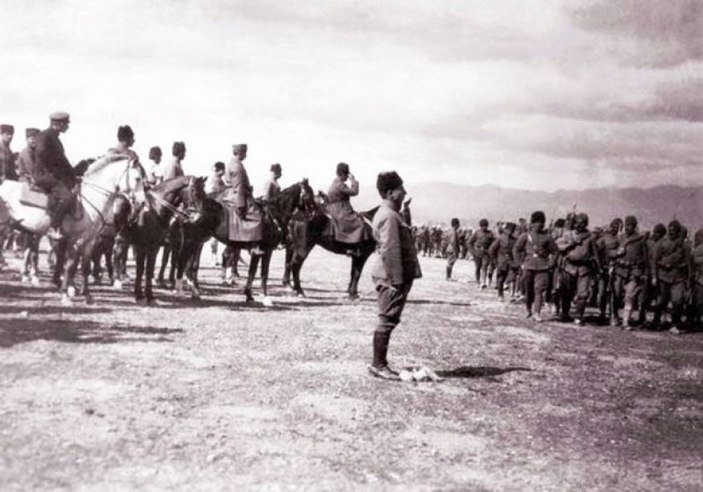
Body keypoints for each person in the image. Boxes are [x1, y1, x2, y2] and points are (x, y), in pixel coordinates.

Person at [368, 171, 421, 380]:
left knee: (388, 319)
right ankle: (378, 364)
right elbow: (390, 250)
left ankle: (379, 363)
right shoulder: (389, 216)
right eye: (401, 189)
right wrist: (396, 282)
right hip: (390, 278)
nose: (404, 193)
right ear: (391, 193)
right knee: (387, 320)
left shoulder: (389, 213)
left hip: (389, 275)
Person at [33, 112, 78, 230]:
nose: (68, 126)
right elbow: (42, 154)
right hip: (44, 175)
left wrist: (73, 175)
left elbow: (63, 161)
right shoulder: (44, 136)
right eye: (66, 124)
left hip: (52, 175)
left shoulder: (55, 139)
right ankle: (53, 227)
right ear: (58, 124)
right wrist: (55, 171)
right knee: (67, 197)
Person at [556, 213, 601, 325]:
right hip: (569, 267)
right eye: (577, 223)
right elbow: (557, 246)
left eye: (582, 223)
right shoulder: (567, 235)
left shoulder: (590, 238)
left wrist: (598, 269)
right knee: (566, 292)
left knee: (583, 294)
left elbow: (595, 254)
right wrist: (568, 245)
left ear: (586, 224)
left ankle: (579, 316)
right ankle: (565, 313)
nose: (578, 225)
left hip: (584, 268)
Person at [513, 210, 558, 322]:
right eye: (537, 222)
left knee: (539, 290)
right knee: (529, 291)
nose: (539, 224)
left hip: (543, 267)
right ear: (532, 223)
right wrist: (520, 264)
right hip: (528, 266)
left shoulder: (548, 237)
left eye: (542, 222)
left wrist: (551, 263)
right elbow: (516, 249)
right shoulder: (525, 236)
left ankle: (537, 312)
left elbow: (555, 251)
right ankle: (528, 309)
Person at [652, 220, 690, 333]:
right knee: (661, 301)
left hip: (678, 277)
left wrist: (688, 278)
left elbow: (688, 263)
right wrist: (654, 276)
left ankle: (675, 324)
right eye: (670, 230)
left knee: (677, 301)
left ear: (678, 231)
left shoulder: (684, 246)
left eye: (674, 230)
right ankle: (656, 321)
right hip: (663, 276)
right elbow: (654, 260)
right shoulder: (661, 243)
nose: (671, 232)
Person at [611, 215, 648, 329]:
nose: (627, 228)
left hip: (633, 271)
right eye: (626, 225)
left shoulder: (640, 240)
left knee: (629, 296)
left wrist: (642, 269)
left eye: (630, 226)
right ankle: (614, 316)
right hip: (619, 270)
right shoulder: (619, 238)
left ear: (634, 227)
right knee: (616, 294)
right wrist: (617, 253)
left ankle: (625, 321)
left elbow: (645, 258)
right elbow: (609, 253)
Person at [327, 162, 366, 244]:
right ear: (343, 174)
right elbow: (354, 192)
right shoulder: (340, 184)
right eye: (347, 175)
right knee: (359, 223)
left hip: (336, 208)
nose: (347, 177)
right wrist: (353, 181)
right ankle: (353, 245)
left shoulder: (334, 183)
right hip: (341, 210)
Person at [489, 221, 518, 300]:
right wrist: (495, 261)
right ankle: (500, 295)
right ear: (505, 229)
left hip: (511, 262)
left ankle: (512, 295)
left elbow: (518, 251)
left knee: (512, 278)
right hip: (501, 262)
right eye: (508, 230)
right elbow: (492, 250)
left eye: (512, 230)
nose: (510, 232)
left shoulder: (515, 240)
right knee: (501, 279)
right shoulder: (500, 238)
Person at [223, 143, 252, 218]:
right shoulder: (237, 167)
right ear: (240, 152)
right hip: (237, 199)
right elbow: (239, 187)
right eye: (245, 152)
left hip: (231, 196)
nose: (246, 155)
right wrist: (240, 206)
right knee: (259, 219)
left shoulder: (231, 164)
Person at [468, 219, 495, 289]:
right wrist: (472, 252)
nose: (484, 227)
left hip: (486, 253)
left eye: (485, 226)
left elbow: (494, 242)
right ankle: (477, 281)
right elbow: (469, 242)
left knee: (485, 266)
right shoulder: (477, 233)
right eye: (483, 226)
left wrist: (490, 249)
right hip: (477, 252)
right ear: (480, 226)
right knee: (477, 268)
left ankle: (483, 282)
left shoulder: (490, 234)